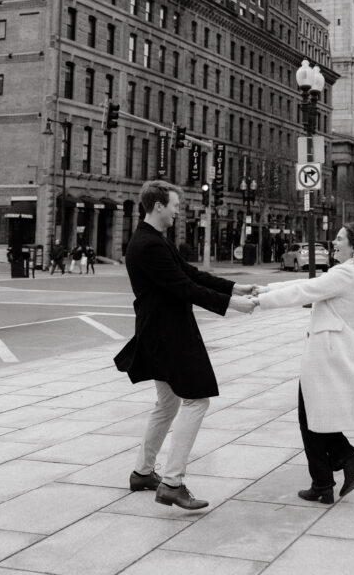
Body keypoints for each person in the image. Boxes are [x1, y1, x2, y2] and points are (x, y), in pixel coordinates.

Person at [114, 180, 257, 511]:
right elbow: (184, 287)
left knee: (168, 404)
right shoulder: (148, 245)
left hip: (159, 332)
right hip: (168, 335)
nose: (179, 211)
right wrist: (232, 305)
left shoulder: (154, 240)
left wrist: (235, 287)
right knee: (197, 399)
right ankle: (172, 483)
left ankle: (143, 472)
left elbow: (191, 274)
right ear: (159, 205)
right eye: (175, 205)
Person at [252, 222, 354, 504]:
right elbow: (306, 284)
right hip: (330, 349)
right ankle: (331, 475)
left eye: (339, 239)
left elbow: (305, 291)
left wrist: (261, 300)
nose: (333, 243)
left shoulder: (348, 272)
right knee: (314, 416)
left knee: (310, 416)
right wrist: (264, 288)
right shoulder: (350, 271)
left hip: (328, 353)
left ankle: (336, 472)